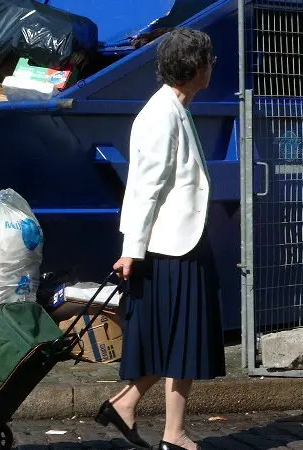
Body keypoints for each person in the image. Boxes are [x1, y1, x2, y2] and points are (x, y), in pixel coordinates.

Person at [94, 28, 226, 450]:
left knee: (182, 337)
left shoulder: (176, 108)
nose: (213, 66)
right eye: (210, 60)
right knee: (180, 337)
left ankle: (144, 414)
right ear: (197, 67)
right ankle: (167, 429)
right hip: (169, 247)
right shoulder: (161, 115)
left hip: (181, 242)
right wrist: (131, 251)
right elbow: (143, 188)